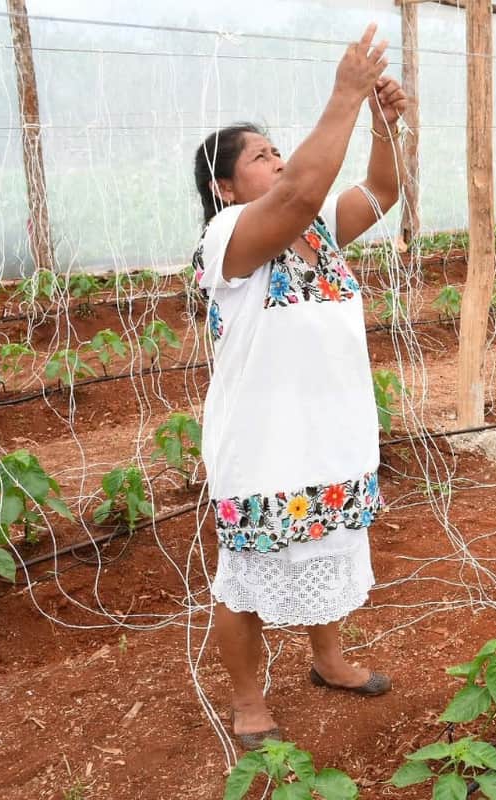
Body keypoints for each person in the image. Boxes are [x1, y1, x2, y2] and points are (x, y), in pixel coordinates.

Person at [191, 25, 408, 750]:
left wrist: (382, 125)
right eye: (261, 155)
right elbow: (297, 192)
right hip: (263, 445)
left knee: (325, 547)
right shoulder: (228, 237)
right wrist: (346, 93)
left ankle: (329, 660)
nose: (279, 160)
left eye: (277, 149)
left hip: (331, 431)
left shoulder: (316, 228)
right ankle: (249, 702)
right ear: (225, 186)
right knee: (245, 575)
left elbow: (381, 190)